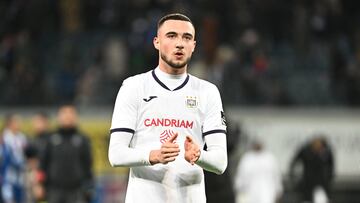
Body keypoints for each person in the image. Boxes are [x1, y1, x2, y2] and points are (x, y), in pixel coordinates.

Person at [108, 13, 228, 203]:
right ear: (156, 42)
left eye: (186, 37)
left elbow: (220, 162)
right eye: (171, 36)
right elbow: (115, 154)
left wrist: (199, 156)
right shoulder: (134, 87)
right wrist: (153, 155)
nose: (179, 43)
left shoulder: (208, 92)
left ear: (194, 46)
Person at [41, 105, 94, 203]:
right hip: (54, 190)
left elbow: (88, 165)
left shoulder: (82, 139)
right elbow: (43, 164)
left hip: (76, 190)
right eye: (64, 113)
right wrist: (40, 185)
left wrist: (89, 187)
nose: (67, 116)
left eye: (71, 113)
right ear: (58, 117)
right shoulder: (50, 139)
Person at [289, 136, 334, 203]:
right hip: (307, 182)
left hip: (321, 183)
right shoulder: (305, 150)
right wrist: (293, 177)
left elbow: (331, 166)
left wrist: (329, 178)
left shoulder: (325, 151)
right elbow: (294, 163)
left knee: (322, 199)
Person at [0, 113, 28, 203]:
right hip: (7, 177)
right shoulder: (4, 138)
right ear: (10, 123)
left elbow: (25, 154)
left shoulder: (22, 137)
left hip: (20, 177)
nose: (19, 124)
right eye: (17, 122)